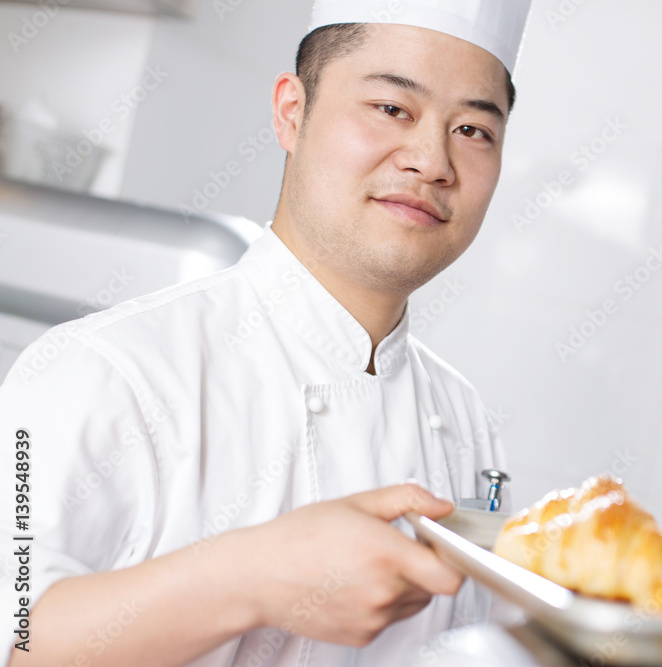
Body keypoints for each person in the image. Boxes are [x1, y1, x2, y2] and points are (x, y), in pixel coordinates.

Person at [0, 0, 531, 664]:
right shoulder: (100, 373)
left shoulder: (470, 423)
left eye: (474, 130)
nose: (432, 161)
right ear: (291, 112)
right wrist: (252, 578)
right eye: (393, 109)